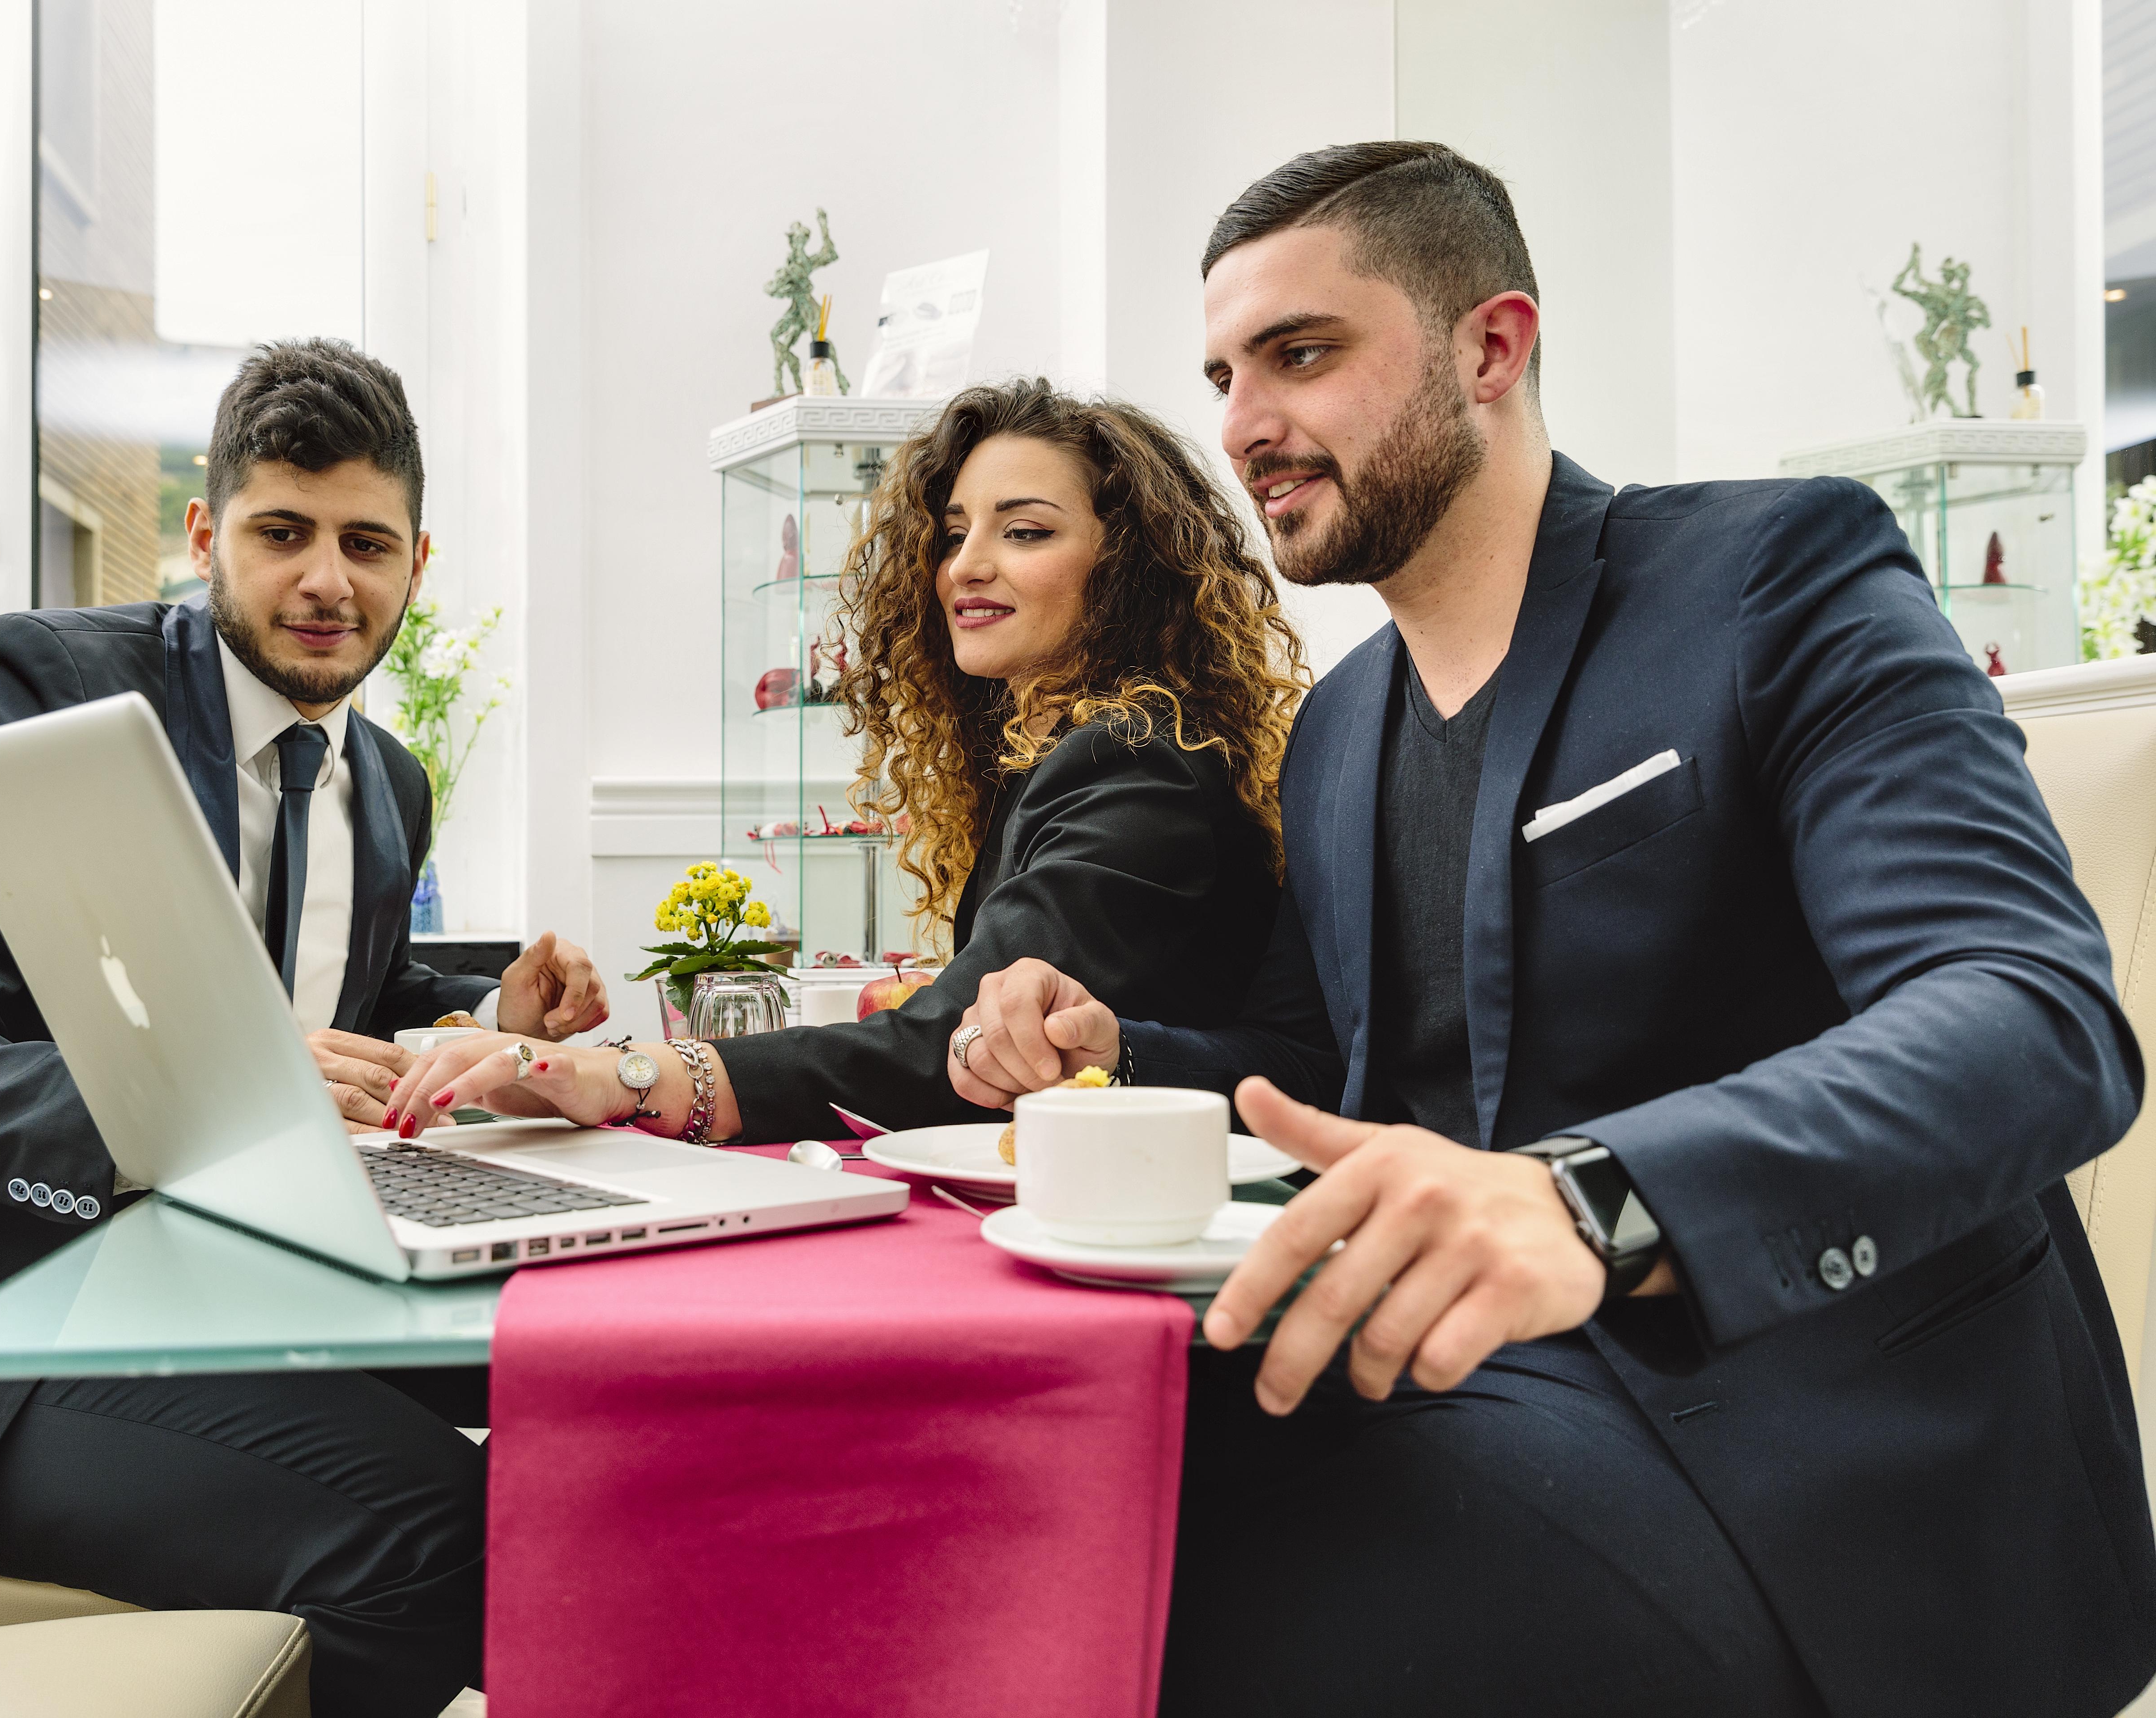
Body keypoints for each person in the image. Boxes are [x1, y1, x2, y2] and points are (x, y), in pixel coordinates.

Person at [950, 142, 2156, 1716]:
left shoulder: (1775, 578)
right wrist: (1113, 1057)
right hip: (1481, 1396)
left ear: (1492, 348)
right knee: (1043, 1487)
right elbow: (1319, 1062)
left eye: (1302, 354)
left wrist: (1596, 1205)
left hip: (1817, 1462)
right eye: (1224, 373)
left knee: (1184, 1585)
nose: (1245, 424)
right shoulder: (1336, 733)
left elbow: (2032, 1016)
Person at [0, 339, 608, 1715]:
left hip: (199, 1281)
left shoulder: (384, 778)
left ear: (418, 565)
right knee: (443, 1534)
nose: (328, 580)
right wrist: (193, 1094)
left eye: (368, 542)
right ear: (205, 537)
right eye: (282, 533)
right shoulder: (28, 690)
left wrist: (486, 1015)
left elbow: (313, 1003)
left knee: (596, 1398)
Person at [382, 379, 1304, 1144]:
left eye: (1024, 531)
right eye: (953, 534)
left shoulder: (1135, 761)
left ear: (1127, 566)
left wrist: (628, 1075)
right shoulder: (1073, 748)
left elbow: (953, 1041)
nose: (965, 568)